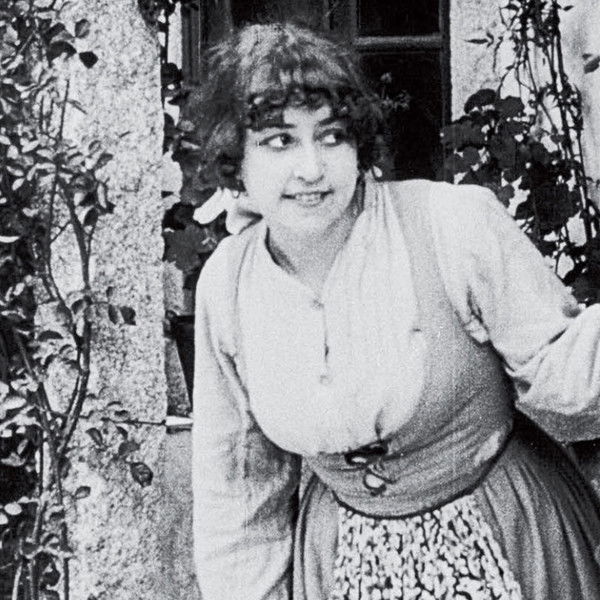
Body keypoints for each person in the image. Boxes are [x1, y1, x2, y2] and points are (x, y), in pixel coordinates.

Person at [191, 21, 600, 600]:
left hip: (506, 539)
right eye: (279, 141)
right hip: (343, 567)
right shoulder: (229, 284)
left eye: (332, 136)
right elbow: (238, 489)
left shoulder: (451, 225)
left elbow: (566, 374)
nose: (311, 168)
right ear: (237, 158)